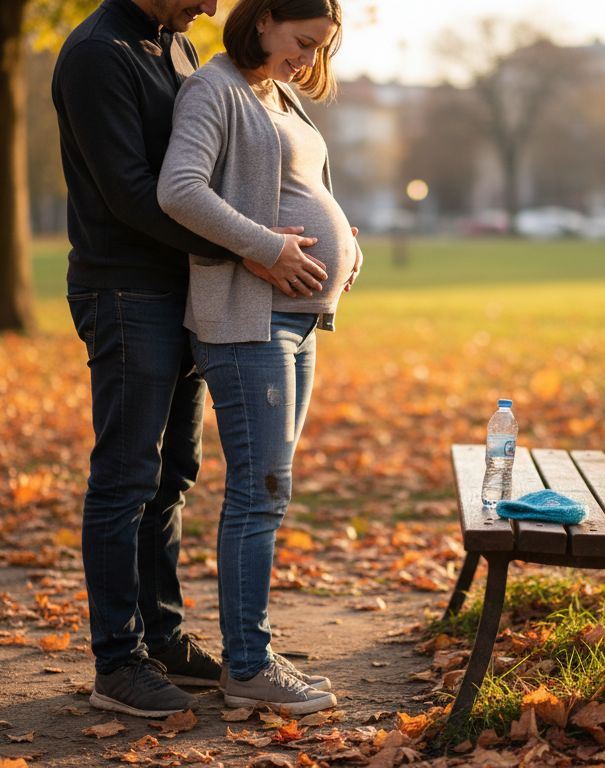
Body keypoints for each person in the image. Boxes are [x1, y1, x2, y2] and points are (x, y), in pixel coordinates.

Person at [51, 0, 330, 719]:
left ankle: (164, 639)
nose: (210, 5)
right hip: (125, 290)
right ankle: (117, 661)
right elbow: (135, 197)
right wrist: (251, 249)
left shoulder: (172, 47)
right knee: (125, 477)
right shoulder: (97, 55)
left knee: (174, 474)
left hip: (185, 294)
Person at [157, 0, 360, 716]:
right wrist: (266, 247)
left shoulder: (278, 95)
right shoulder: (214, 89)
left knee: (270, 491)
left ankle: (254, 654)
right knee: (258, 493)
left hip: (297, 324)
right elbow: (179, 190)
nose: (307, 59)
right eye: (302, 42)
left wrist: (348, 247)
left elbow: (306, 189)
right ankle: (247, 665)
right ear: (265, 18)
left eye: (319, 48)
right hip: (248, 322)